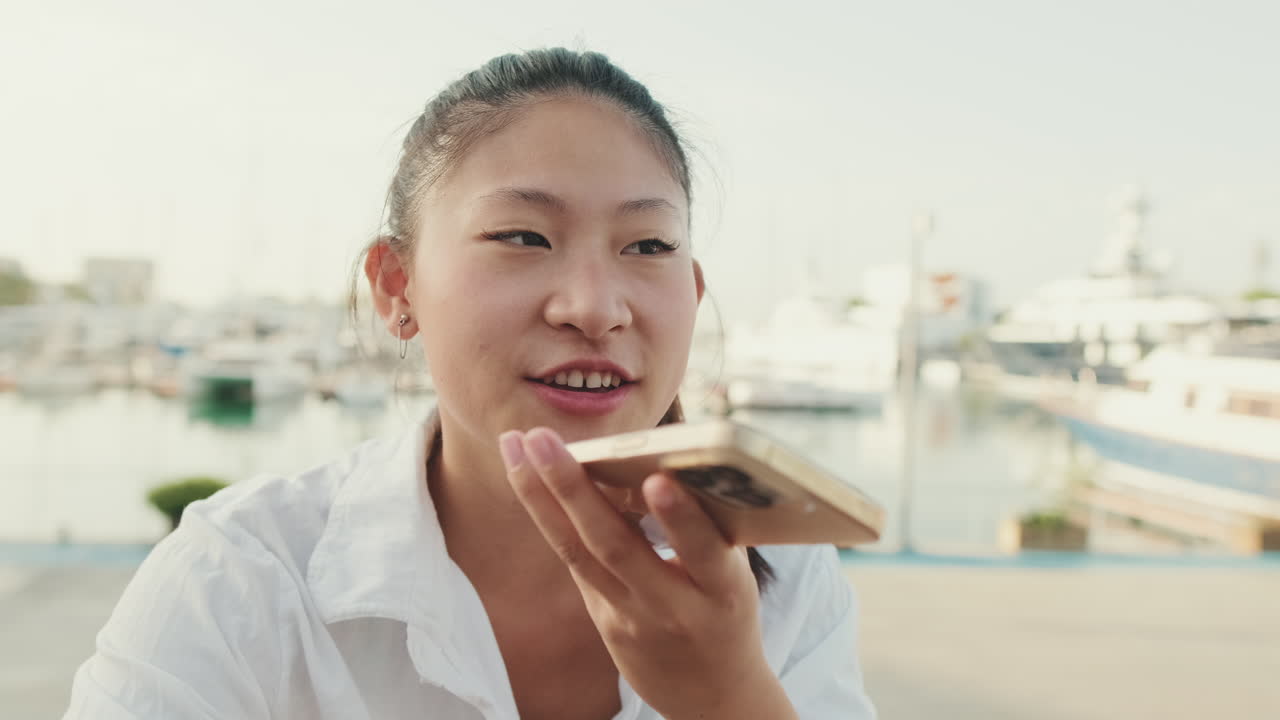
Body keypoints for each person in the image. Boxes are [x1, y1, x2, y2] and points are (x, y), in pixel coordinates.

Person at [65, 48, 876, 720]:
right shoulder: (238, 584)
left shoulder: (786, 579)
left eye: (648, 246)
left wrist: (730, 699)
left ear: (693, 295)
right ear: (397, 287)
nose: (595, 308)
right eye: (524, 236)